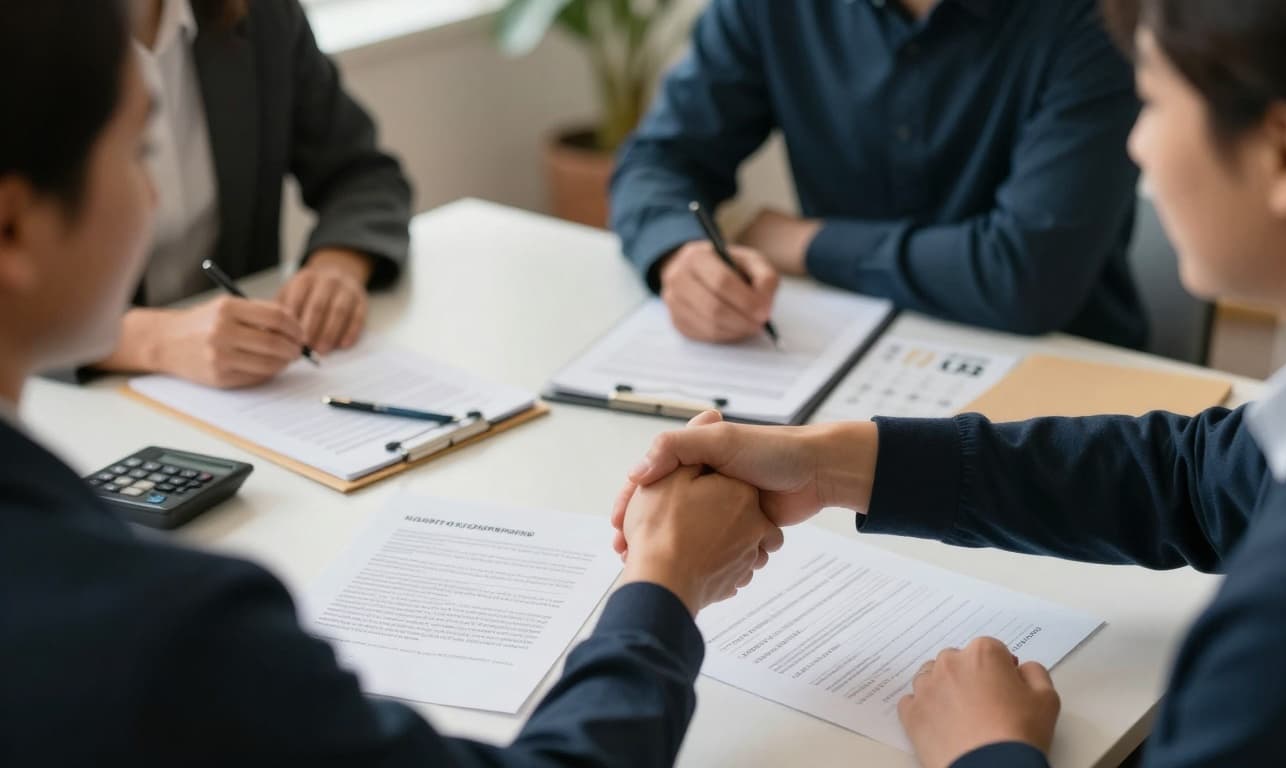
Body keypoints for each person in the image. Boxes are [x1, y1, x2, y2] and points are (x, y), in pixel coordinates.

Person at [0, 3, 784, 764]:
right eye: (138, 151)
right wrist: (664, 583)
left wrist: (338, 263)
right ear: (12, 228)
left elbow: (363, 173)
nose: (155, 194)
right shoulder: (175, 633)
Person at [614, 0, 1286, 764]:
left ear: (1285, 155)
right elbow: (1200, 481)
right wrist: (834, 465)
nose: (1137, 145)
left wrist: (988, 748)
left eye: (1155, 103)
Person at [610, 0, 1147, 349]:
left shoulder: (1098, 18)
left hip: (1065, 368)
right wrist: (677, 254)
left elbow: (1026, 278)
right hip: (836, 346)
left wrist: (804, 243)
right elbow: (659, 158)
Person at [55, 0, 413, 389]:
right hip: (78, 398)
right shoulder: (24, 39)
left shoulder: (263, 14)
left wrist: (338, 266)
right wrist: (148, 339)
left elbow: (362, 173)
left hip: (255, 389)